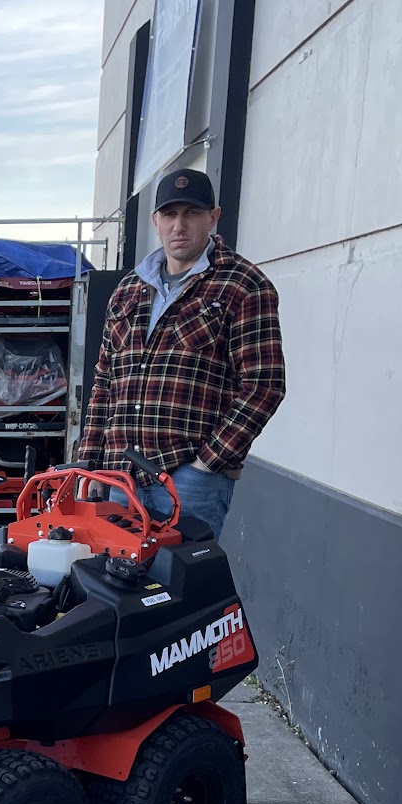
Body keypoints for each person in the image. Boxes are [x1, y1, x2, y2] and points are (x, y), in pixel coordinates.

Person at [78, 168, 285, 541]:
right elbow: (105, 382)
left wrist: (206, 464)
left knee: (181, 577)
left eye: (192, 213)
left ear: (213, 217)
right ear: (155, 221)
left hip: (186, 481)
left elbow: (264, 385)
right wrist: (89, 464)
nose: (179, 225)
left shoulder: (244, 285)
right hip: (119, 480)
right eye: (170, 214)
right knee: (111, 575)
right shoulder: (128, 290)